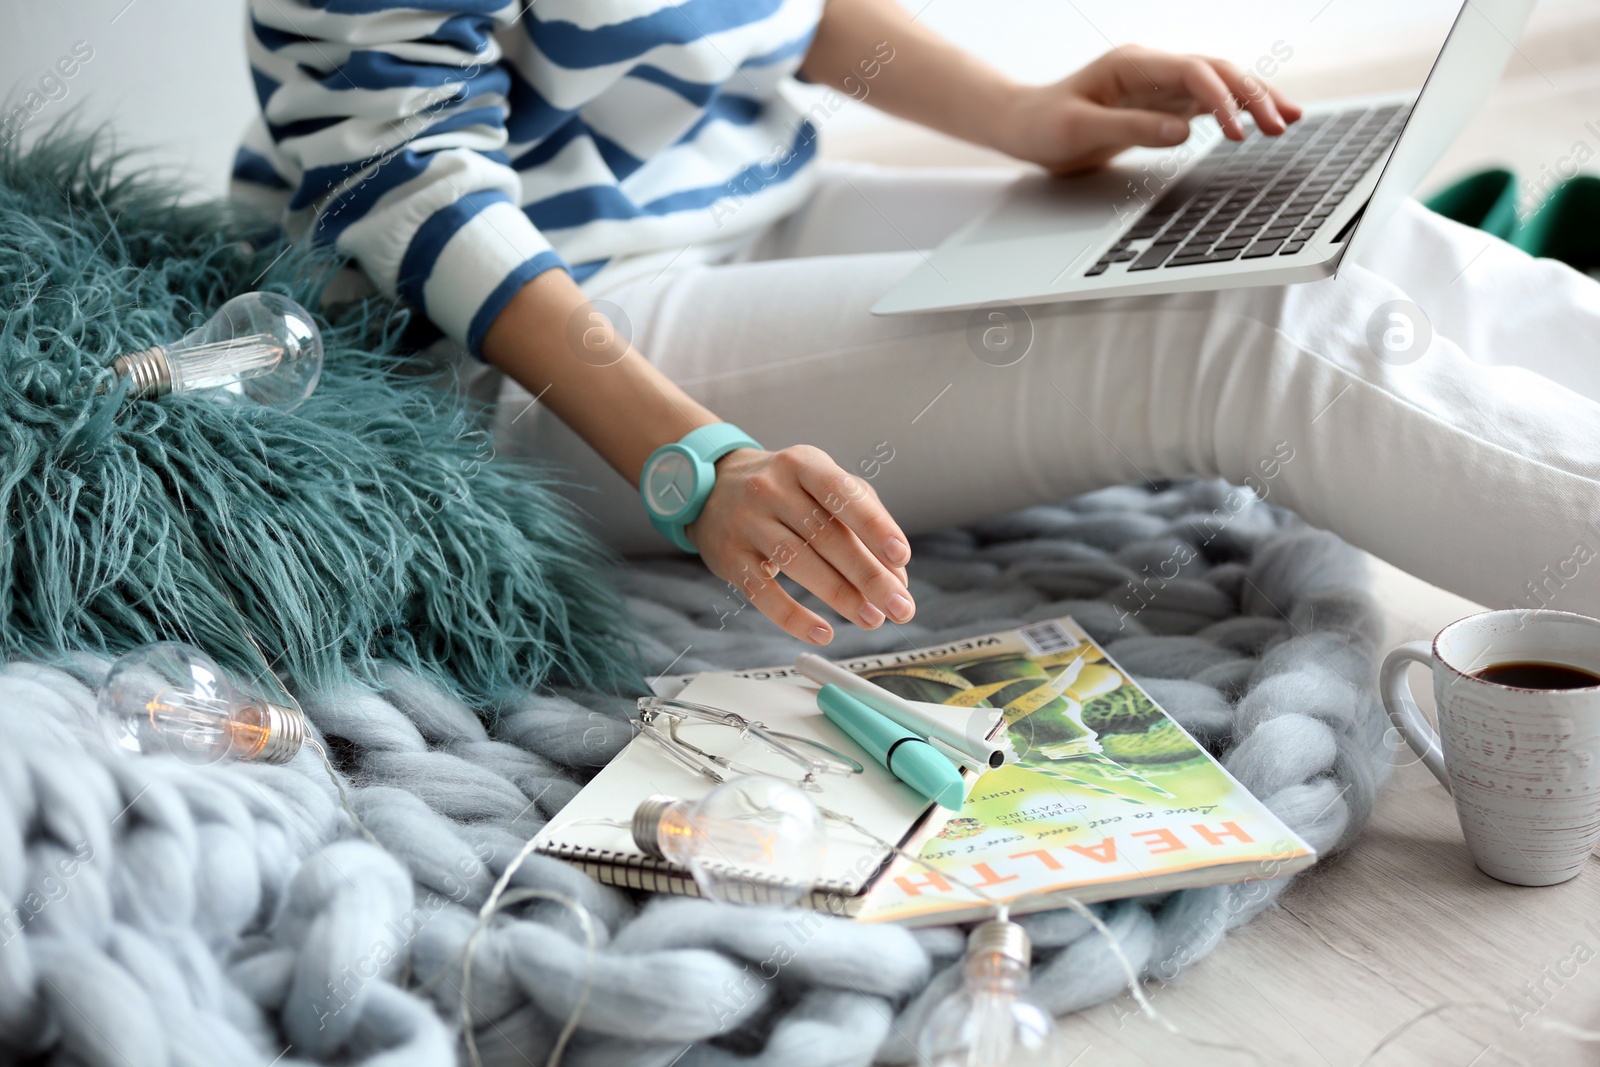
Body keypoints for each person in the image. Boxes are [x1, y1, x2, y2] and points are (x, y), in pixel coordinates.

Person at [234, 0, 1600, 645]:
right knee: (1234, 335)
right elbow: (404, 181)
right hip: (514, 343)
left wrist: (1029, 113)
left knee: (1309, 223)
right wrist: (699, 460)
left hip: (755, 205)